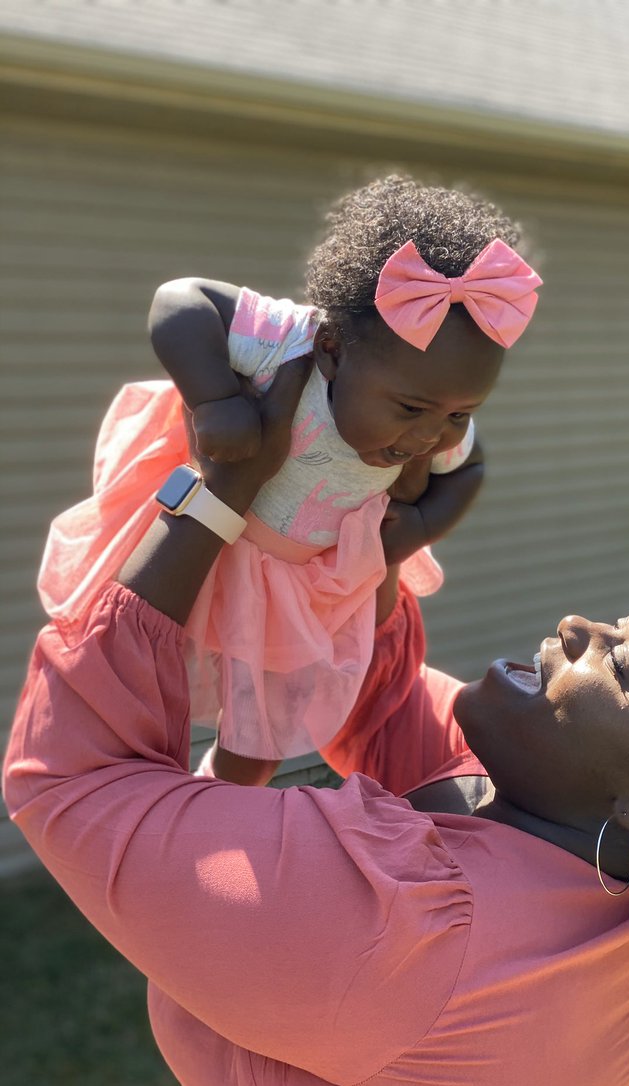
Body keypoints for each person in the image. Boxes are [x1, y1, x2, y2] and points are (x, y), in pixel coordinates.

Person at [5, 365, 629, 1086]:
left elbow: (75, 778)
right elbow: (382, 703)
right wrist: (377, 537)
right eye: (616, 623)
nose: (579, 624)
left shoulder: (401, 925)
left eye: (622, 663)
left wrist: (213, 497)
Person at [36, 175, 542, 784]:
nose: (430, 437)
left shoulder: (437, 415)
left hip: (303, 589)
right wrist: (215, 400)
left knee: (263, 727)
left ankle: (223, 796)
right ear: (332, 348)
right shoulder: (287, 343)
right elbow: (179, 301)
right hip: (210, 549)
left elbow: (473, 465)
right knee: (149, 665)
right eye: (409, 409)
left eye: (460, 411)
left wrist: (418, 529)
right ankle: (141, 792)